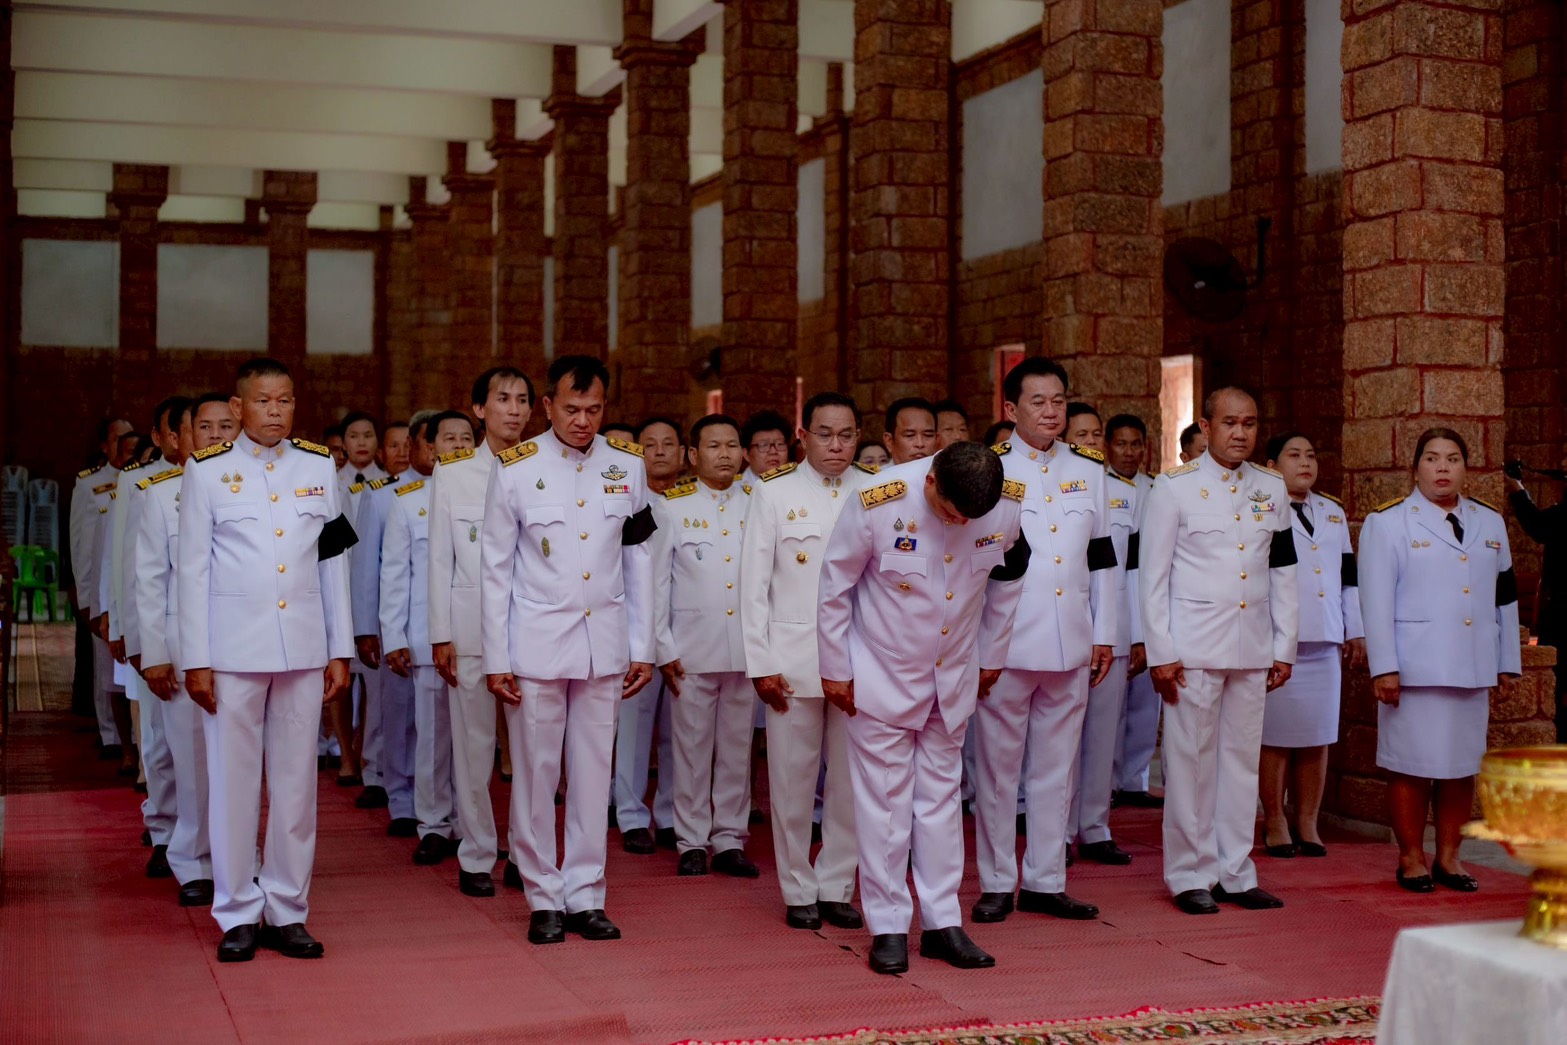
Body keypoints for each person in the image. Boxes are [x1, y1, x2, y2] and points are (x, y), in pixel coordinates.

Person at [818, 442, 1028, 974]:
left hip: (952, 676)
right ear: (931, 480)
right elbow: (835, 586)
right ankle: (888, 924)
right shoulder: (879, 499)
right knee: (886, 805)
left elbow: (1007, 580)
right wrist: (835, 668)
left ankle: (941, 922)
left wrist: (992, 655)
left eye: (969, 519)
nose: (959, 524)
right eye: (951, 513)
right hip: (882, 672)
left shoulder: (1005, 504)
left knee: (941, 802)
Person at [178, 357, 353, 962]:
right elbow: (192, 571)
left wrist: (339, 646)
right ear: (238, 407)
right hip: (232, 650)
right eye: (263, 401)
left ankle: (287, 907)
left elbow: (333, 561)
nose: (275, 412)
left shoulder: (318, 466)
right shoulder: (206, 471)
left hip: (302, 647)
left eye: (284, 401)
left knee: (296, 785)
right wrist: (196, 659)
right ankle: (236, 911)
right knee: (233, 784)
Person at [480, 355, 656, 945]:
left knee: (593, 774)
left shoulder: (626, 466)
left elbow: (639, 560)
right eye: (572, 409)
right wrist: (497, 658)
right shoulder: (515, 468)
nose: (583, 421)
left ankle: (586, 894)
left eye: (594, 410)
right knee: (536, 773)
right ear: (547, 406)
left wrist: (643, 645)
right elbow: (495, 570)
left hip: (604, 644)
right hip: (536, 646)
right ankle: (542, 896)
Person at [971, 358, 1118, 925]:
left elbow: (1102, 556)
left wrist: (1105, 631)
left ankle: (1046, 880)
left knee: (1058, 770)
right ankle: (996, 881)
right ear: (1011, 409)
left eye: (1059, 400)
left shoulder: (1088, 468)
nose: (1051, 411)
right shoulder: (989, 467)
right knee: (998, 771)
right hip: (1006, 643)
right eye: (1038, 401)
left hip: (1071, 638)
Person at [1140, 386, 1297, 916]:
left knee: (1241, 762)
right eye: (1229, 423)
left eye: (1249, 424)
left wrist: (1284, 646)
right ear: (1206, 427)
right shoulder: (1174, 487)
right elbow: (1152, 577)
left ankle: (1235, 871)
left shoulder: (1270, 487)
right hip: (1193, 649)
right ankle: (1190, 873)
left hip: (1251, 645)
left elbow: (1284, 569)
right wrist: (1161, 651)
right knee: (1190, 763)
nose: (1240, 433)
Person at [1360, 428, 1520, 893]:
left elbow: (1504, 597)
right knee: (1411, 766)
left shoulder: (1489, 522)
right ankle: (1411, 857)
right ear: (1415, 469)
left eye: (1453, 458)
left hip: (1472, 666)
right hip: (1415, 670)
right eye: (1432, 458)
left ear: (1466, 468)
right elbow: (1375, 601)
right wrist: (1384, 667)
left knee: (1460, 767)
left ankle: (1450, 858)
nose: (1443, 467)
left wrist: (1506, 659)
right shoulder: (1388, 523)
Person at [740, 391, 864, 931]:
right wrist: (760, 663)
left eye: (846, 435)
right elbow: (753, 587)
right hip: (793, 660)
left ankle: (837, 884)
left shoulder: (874, 490)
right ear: (803, 436)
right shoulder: (774, 492)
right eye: (825, 434)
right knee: (792, 782)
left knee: (851, 784)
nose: (836, 445)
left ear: (858, 437)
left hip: (859, 658)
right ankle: (797, 887)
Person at [428, 368, 532, 899]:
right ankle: (475, 853)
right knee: (473, 747)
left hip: (532, 630)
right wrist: (440, 633)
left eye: (522, 400)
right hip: (469, 629)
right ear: (478, 409)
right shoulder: (453, 473)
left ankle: (526, 853)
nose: (513, 409)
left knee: (532, 751)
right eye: (502, 399)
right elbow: (439, 559)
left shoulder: (542, 467)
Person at [650, 414, 761, 878]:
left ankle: (730, 838)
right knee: (691, 749)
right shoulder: (672, 506)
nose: (725, 455)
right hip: (691, 649)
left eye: (732, 445)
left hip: (746, 648)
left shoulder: (759, 502)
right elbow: (657, 583)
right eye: (714, 446)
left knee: (737, 749)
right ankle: (691, 840)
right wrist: (663, 646)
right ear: (693, 455)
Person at [1258, 433, 1364, 858]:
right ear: (1271, 465)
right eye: (1294, 455)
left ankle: (1307, 820)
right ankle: (1274, 819)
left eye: (1311, 455)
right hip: (1278, 639)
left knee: (1317, 735)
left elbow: (1348, 577)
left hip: (1325, 638)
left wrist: (1354, 629)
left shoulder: (1332, 512)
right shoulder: (1259, 507)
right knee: (1276, 736)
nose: (1305, 462)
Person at [134, 395, 215, 907]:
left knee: (240, 767)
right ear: (180, 438)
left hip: (242, 649)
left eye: (226, 427)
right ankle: (196, 862)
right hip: (183, 647)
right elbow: (148, 580)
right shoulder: (161, 495)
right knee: (190, 762)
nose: (216, 436)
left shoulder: (258, 488)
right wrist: (154, 653)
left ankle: (241, 859)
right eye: (204, 428)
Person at [382, 412, 471, 866]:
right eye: (448, 438)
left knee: (474, 742)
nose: (458, 445)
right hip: (426, 636)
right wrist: (393, 634)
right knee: (433, 737)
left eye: (466, 438)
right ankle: (434, 824)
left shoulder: (491, 493)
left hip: (478, 636)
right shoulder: (409, 501)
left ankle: (472, 827)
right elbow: (395, 574)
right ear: (432, 448)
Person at [1064, 404, 1140, 866]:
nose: (1091, 443)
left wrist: (1137, 635)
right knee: (1060, 739)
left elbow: (1134, 570)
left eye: (1096, 435)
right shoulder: (1054, 488)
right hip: (1066, 628)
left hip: (1113, 628)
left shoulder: (1126, 494)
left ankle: (1094, 827)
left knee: (1103, 735)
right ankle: (1057, 830)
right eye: (1082, 435)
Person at [614, 416, 685, 854]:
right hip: (639, 637)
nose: (659, 451)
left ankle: (671, 815)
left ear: (684, 453)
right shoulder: (632, 504)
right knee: (633, 732)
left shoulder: (695, 504)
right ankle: (630, 815)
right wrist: (653, 642)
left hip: (689, 639)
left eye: (668, 443)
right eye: (650, 444)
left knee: (680, 735)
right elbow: (645, 584)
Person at [347, 440, 415, 830]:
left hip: (441, 624)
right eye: (396, 445)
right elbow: (364, 568)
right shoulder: (381, 494)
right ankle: (391, 787)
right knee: (391, 710)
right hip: (391, 623)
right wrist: (364, 628)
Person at [70, 416, 134, 765]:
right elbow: (81, 545)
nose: (125, 445)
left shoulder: (145, 480)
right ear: (105, 446)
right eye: (117, 439)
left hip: (129, 588)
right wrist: (85, 596)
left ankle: (131, 737)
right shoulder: (90, 485)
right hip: (100, 587)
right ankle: (110, 735)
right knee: (104, 667)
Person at [1105, 414, 1161, 808]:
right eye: (1121, 443)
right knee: (1110, 707)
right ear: (1107, 446)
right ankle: (1106, 781)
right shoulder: (1098, 486)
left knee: (1145, 703)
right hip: (1113, 600)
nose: (1129, 452)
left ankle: (1135, 780)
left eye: (1136, 444)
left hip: (1150, 601)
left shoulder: (1157, 489)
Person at [1507, 454, 1567, 738]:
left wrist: (1515, 486)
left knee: (1558, 687)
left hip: (1562, 615)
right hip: (1559, 611)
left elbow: (1539, 526)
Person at [741, 410, 793, 488]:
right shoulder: (730, 490)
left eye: (780, 444)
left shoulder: (800, 486)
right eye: (763, 445)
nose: (773, 451)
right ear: (746, 454)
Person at [882, 397, 938, 466]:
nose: (920, 444)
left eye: (928, 435)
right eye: (910, 435)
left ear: (937, 439)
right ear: (889, 441)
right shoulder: (879, 473)